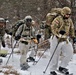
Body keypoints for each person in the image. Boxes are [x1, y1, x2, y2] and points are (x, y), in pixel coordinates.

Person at [49, 7, 75, 75]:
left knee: (70, 52)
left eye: (69, 14)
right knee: (55, 55)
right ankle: (52, 70)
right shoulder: (57, 19)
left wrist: (73, 37)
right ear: (63, 13)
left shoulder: (69, 20)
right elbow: (53, 28)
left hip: (65, 39)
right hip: (56, 39)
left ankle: (62, 67)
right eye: (67, 14)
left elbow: (72, 28)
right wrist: (59, 32)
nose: (68, 16)